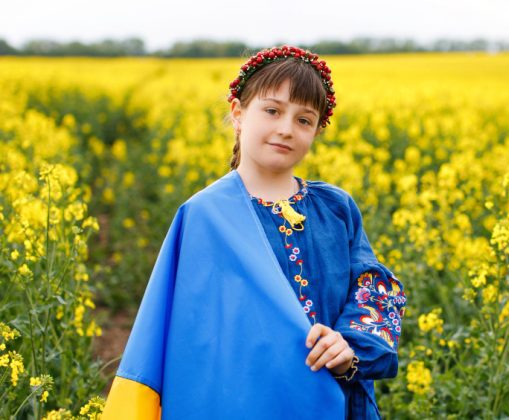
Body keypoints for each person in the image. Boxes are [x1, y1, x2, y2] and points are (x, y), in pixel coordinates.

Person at [101, 45, 407, 419]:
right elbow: (186, 332)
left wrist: (349, 347)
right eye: (273, 110)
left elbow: (375, 287)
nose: (286, 129)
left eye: (304, 120)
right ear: (238, 113)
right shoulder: (204, 215)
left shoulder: (336, 208)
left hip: (329, 396)